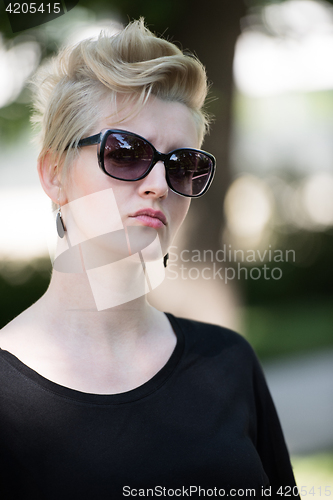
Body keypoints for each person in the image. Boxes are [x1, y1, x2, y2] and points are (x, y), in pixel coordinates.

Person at [0, 19, 300, 499]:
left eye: (184, 165)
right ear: (54, 174)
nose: (159, 185)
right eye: (125, 153)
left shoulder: (228, 361)